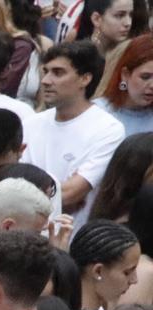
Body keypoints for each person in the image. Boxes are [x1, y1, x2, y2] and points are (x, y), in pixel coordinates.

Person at [24, 38, 123, 223]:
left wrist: (60, 197)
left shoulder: (108, 129)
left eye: (58, 73)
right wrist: (57, 198)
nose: (45, 80)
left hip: (74, 240)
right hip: (27, 236)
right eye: (45, 71)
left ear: (85, 78)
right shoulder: (30, 123)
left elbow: (72, 192)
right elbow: (12, 185)